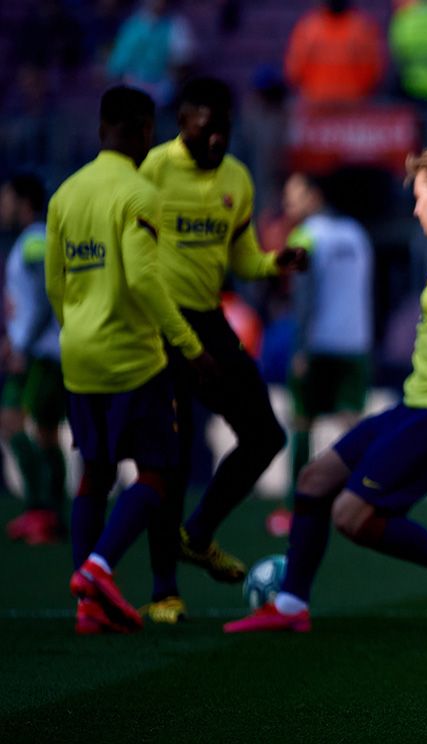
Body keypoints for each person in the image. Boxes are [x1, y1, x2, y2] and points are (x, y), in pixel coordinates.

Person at [224, 146, 427, 635]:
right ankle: (290, 606)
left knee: (352, 515)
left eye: (417, 197)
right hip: (418, 403)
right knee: (314, 481)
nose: (413, 209)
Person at [138, 76, 308, 623]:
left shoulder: (237, 177)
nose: (217, 141)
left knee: (266, 434)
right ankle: (165, 591)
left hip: (209, 318)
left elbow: (243, 257)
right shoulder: (154, 171)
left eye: (225, 130)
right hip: (160, 325)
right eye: (206, 129)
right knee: (174, 455)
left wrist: (273, 263)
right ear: (183, 120)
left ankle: (198, 533)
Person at [46, 85, 213, 634]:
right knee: (158, 474)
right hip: (131, 359)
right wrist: (189, 345)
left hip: (78, 354)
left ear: (100, 131)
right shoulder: (139, 194)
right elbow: (142, 277)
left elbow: (55, 284)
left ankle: (86, 608)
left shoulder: (65, 195)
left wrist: (77, 330)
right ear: (145, 131)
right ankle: (97, 569)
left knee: (93, 476)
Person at [267, 171, 375, 537]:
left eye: (293, 195)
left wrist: (300, 347)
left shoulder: (305, 236)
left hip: (317, 344)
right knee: (353, 423)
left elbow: (304, 295)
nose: (287, 204)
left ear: (313, 197)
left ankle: (295, 508)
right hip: (355, 343)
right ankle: (367, 503)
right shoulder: (357, 234)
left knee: (302, 423)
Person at [1, 174, 67, 546]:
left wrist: (22, 345)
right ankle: (47, 513)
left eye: (6, 199)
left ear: (24, 202)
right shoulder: (30, 241)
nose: (2, 208)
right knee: (43, 433)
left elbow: (46, 293)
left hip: (41, 355)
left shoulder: (35, 241)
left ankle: (43, 509)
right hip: (36, 351)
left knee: (20, 425)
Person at [285, 0, 386, 104]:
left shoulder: (362, 29)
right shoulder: (308, 29)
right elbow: (294, 71)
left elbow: (374, 71)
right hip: (316, 107)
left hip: (354, 107)